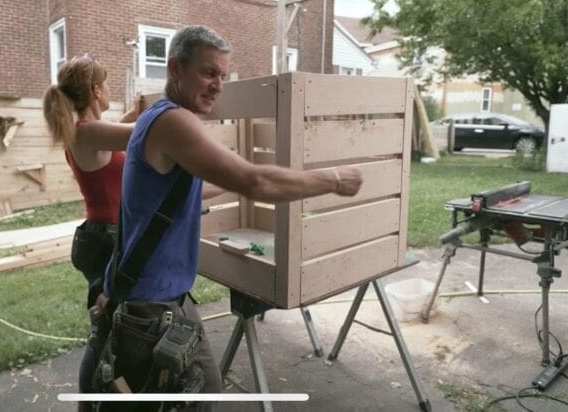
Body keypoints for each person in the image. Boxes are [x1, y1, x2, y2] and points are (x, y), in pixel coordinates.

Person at [96, 25, 363, 407]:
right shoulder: (174, 120)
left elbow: (183, 191)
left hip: (150, 297)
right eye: (208, 72)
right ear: (175, 68)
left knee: (196, 395)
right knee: (191, 401)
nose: (218, 85)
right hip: (152, 309)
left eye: (223, 74)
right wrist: (333, 179)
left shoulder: (156, 118)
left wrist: (234, 178)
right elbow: (255, 182)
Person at [42, 53, 144, 404]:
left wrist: (133, 112)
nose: (110, 90)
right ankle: (90, 400)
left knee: (109, 322)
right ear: (96, 89)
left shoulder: (84, 131)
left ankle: (104, 394)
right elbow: (143, 134)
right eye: (107, 84)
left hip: (100, 235)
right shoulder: (89, 133)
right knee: (104, 329)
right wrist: (167, 108)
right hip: (106, 240)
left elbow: (119, 130)